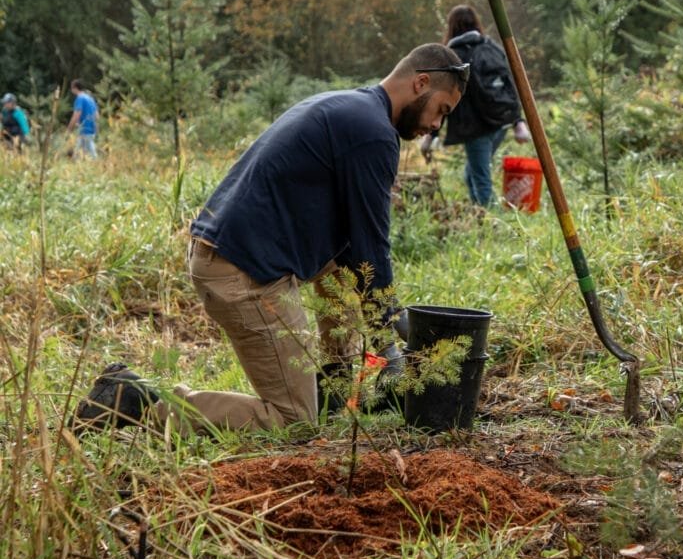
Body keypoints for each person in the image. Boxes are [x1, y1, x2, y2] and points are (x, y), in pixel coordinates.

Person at [71, 43, 467, 435]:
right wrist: (392, 342)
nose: (436, 126)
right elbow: (372, 248)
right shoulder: (374, 135)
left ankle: (333, 388)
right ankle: (139, 402)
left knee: (343, 272)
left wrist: (375, 339)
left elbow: (351, 255)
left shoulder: (351, 108)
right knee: (294, 420)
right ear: (421, 83)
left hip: (227, 253)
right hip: (241, 275)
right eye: (441, 111)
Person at [420, 4, 530, 206]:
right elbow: (509, 84)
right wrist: (517, 121)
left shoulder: (450, 56)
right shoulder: (492, 47)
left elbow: (441, 99)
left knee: (480, 179)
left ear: (452, 26)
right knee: (471, 175)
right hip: (500, 123)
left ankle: (492, 223)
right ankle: (478, 217)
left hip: (475, 128)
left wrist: (430, 136)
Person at [67, 79, 99, 159]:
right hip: (91, 128)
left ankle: (98, 164)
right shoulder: (90, 98)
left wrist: (70, 128)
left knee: (91, 153)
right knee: (80, 152)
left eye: (71, 88)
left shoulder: (80, 98)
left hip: (85, 129)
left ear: (74, 88)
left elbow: (77, 114)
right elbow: (96, 115)